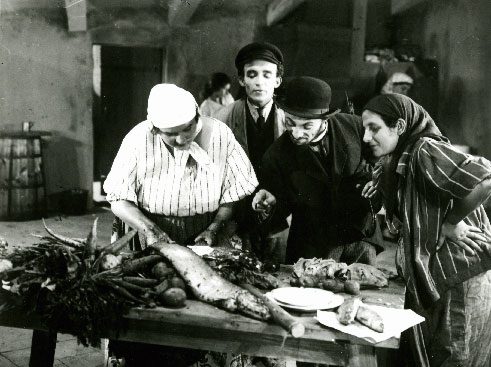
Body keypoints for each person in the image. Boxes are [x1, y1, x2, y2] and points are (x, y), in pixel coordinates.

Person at [103, 83, 258, 366]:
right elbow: (118, 198)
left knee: (207, 309)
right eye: (170, 134)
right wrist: (149, 229)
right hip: (149, 229)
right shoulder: (138, 138)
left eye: (188, 128)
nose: (181, 139)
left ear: (198, 116)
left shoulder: (221, 135)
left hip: (205, 232)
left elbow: (233, 194)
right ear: (154, 129)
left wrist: (213, 229)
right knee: (153, 306)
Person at [361, 93, 491, 367]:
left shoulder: (424, 150)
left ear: (399, 125)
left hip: (457, 276)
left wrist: (451, 222)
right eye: (364, 129)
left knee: (456, 357)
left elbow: (485, 178)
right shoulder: (397, 159)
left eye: (374, 128)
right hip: (438, 276)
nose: (365, 137)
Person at [252, 76, 383, 266]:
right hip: (313, 246)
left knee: (366, 293)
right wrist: (271, 202)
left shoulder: (355, 126)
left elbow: (380, 158)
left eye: (307, 126)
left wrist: (377, 177)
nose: (296, 133)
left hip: (361, 238)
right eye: (290, 123)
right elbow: (280, 207)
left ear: (324, 120)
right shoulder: (276, 155)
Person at [215, 42, 288, 263]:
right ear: (241, 79)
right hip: (235, 218)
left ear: (277, 81)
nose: (259, 81)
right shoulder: (222, 118)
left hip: (279, 219)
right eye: (252, 74)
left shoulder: (290, 119)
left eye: (267, 75)